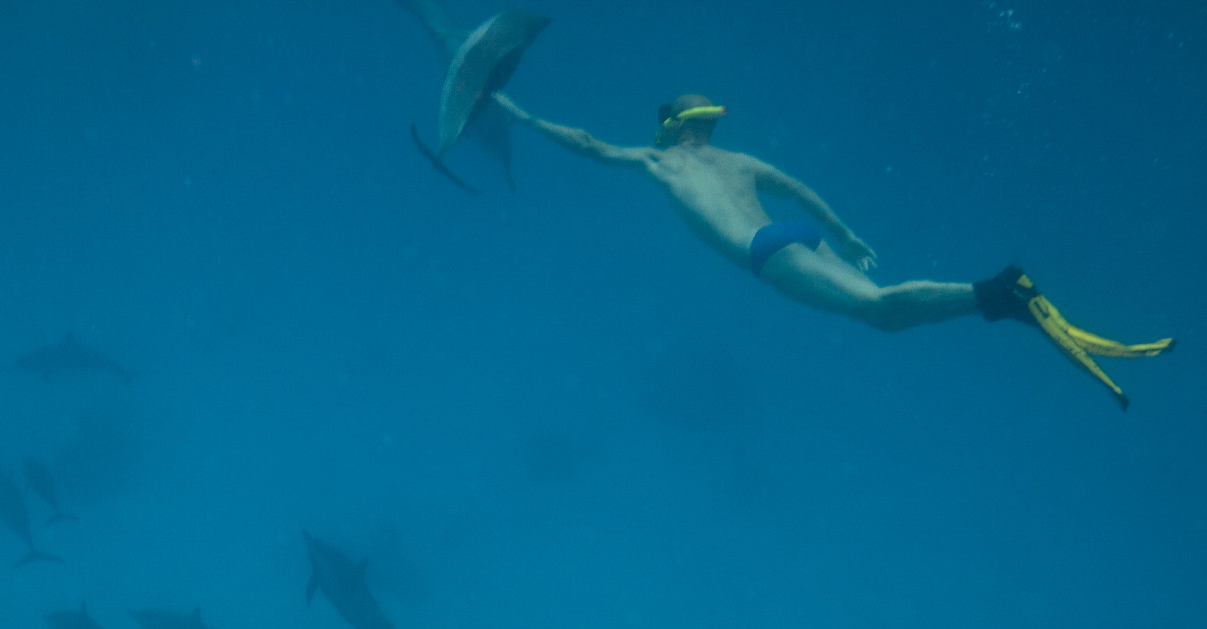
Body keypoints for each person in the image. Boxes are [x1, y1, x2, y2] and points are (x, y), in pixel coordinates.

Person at [491, 92, 1174, 410]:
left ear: (671, 128)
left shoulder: (659, 160)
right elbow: (800, 191)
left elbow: (588, 144)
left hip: (765, 252)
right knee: (885, 315)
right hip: (796, 235)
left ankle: (1000, 291)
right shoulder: (740, 159)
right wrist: (845, 233)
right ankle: (998, 299)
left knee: (879, 309)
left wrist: (521, 114)